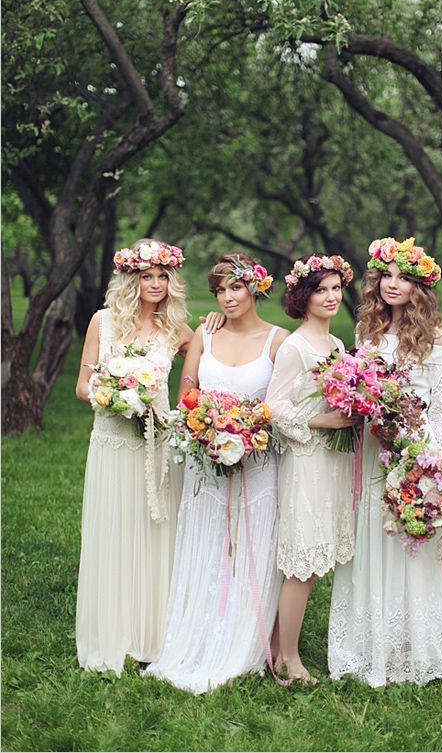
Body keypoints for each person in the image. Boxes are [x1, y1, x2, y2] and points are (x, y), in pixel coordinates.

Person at [328, 236, 442, 686]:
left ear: (419, 288)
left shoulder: (435, 338)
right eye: (386, 276)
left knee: (412, 545)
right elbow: (360, 391)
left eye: (404, 278)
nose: (392, 285)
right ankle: (372, 644)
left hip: (416, 448)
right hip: (376, 447)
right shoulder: (366, 332)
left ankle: (419, 643)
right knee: (375, 537)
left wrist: (430, 463)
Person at [144, 252, 289, 693]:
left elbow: (282, 408)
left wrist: (248, 430)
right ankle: (199, 630)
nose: (227, 297)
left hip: (258, 462)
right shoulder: (205, 335)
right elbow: (187, 390)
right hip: (204, 458)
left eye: (236, 287)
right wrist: (204, 423)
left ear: (255, 289)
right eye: (220, 290)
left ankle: (244, 638)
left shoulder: (278, 341)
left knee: (251, 543)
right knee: (207, 540)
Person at [75, 238, 196, 675]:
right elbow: (81, 386)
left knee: (153, 532)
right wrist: (114, 395)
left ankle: (153, 635)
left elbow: (206, 360)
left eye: (163, 276)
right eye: (147, 275)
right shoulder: (101, 323)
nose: (156, 284)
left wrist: (219, 325)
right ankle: (111, 632)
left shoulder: (175, 331)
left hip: (155, 446)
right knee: (113, 530)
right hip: (111, 439)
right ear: (131, 278)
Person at [265, 253, 358, 683]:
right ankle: (289, 658)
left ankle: (276, 646)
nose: (331, 296)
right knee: (301, 561)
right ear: (304, 296)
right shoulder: (295, 347)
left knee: (314, 556)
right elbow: (274, 409)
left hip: (331, 461)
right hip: (305, 461)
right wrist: (323, 420)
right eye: (321, 289)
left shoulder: (338, 346)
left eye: (336, 289)